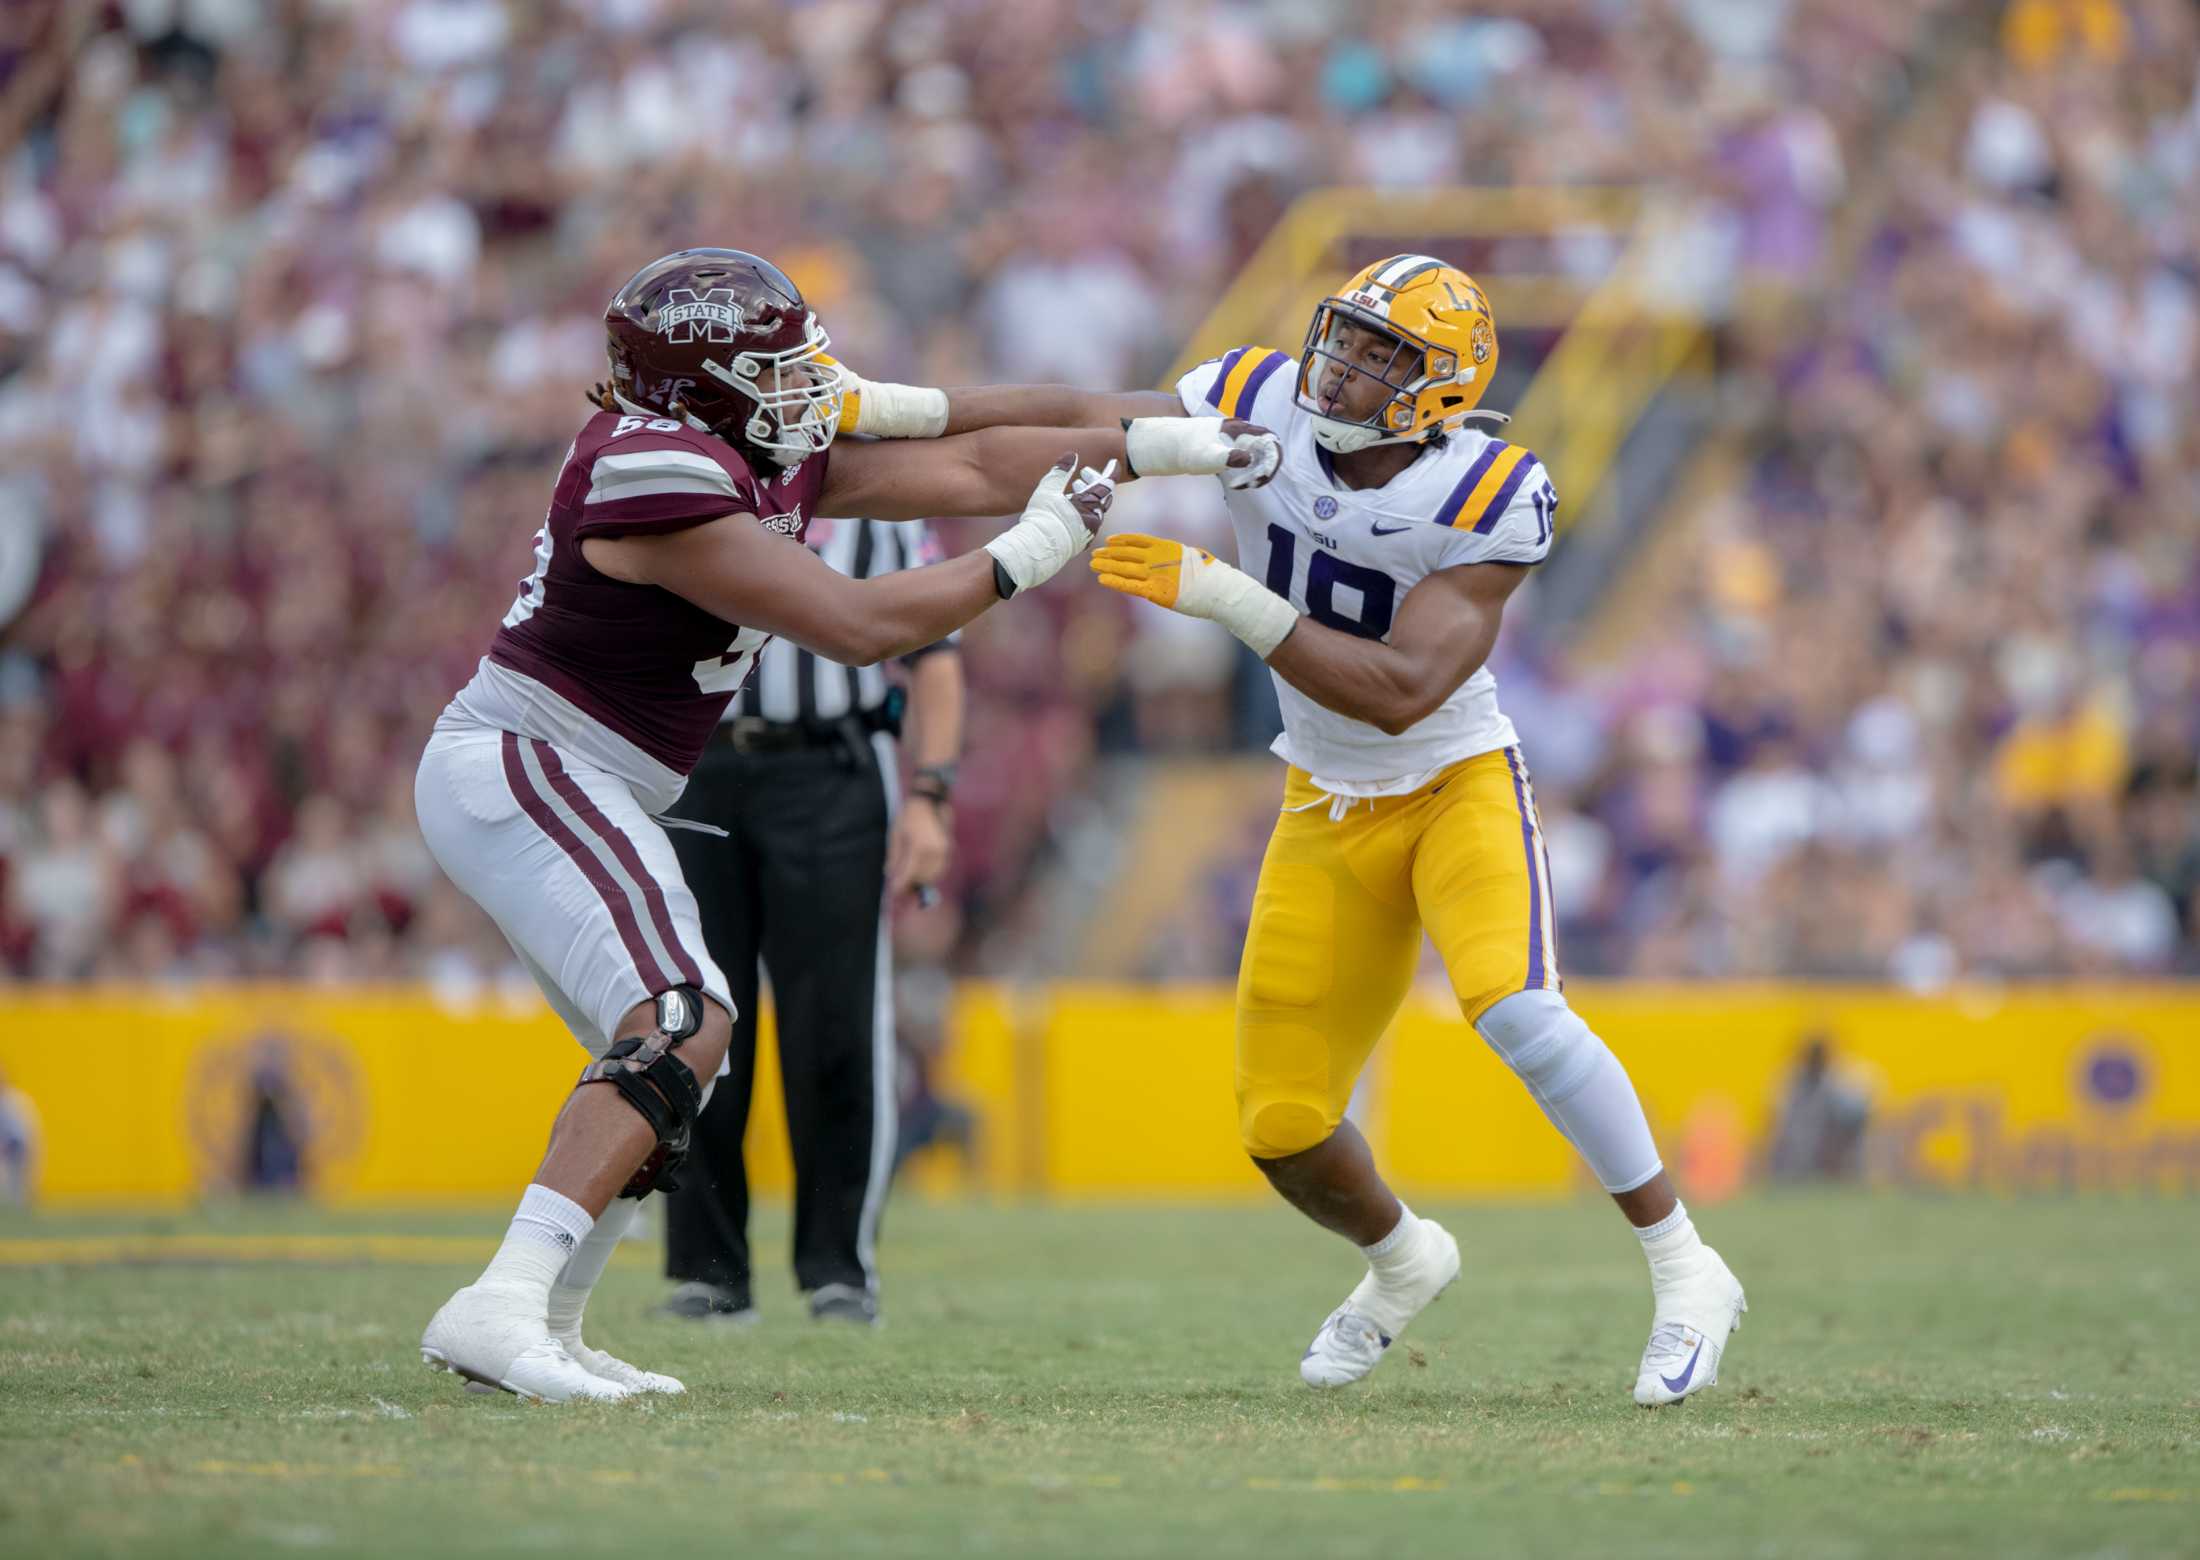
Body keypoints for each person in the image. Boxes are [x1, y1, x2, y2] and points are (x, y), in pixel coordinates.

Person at [412, 246, 1280, 1402]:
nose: (803, 387)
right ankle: (505, 1305)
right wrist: (1031, 551)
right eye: (772, 368)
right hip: (526, 761)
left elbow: (976, 447)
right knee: (681, 1017)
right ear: (698, 387)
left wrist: (1182, 436)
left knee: (671, 1058)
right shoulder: (650, 469)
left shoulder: (742, 439)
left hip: (586, 776)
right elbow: (859, 624)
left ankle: (546, 1326)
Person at [931, 255, 1748, 1404]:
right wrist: (899, 409)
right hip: (1319, 797)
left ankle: (1686, 1267)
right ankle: (1404, 1259)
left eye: (1380, 354)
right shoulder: (1257, 398)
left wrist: (1221, 593)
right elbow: (1079, 415)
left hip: (1449, 779)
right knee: (1280, 1125)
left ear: (1440, 388)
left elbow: (1403, 687)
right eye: (1344, 335)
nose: (1343, 364)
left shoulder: (1486, 492)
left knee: (1514, 1007)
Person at [658, 517, 965, 1328]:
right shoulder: (699, 490)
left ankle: (839, 1269)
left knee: (835, 1022)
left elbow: (936, 657)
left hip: (831, 768)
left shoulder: (886, 519)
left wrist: (930, 797)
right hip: (696, 768)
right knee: (693, 1017)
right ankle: (710, 1271)